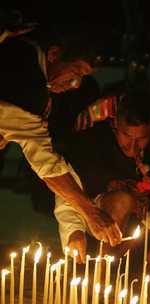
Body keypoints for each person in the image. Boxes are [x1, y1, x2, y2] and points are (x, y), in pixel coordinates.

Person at [0, 24, 122, 250]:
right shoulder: (26, 82)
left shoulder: (19, 49)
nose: (75, 85)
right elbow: (46, 164)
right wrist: (91, 212)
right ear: (54, 54)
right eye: (76, 73)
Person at [55, 90, 150, 272]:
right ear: (115, 125)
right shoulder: (90, 145)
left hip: (147, 228)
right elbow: (68, 193)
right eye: (126, 136)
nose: (132, 146)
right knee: (122, 201)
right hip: (98, 225)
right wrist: (74, 231)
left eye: (142, 138)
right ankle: (99, 283)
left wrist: (140, 238)